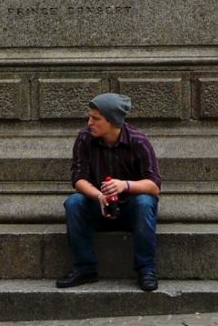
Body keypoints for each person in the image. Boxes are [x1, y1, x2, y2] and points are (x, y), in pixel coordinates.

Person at [56, 93, 161, 293]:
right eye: (90, 117)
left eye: (96, 118)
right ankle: (85, 268)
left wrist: (125, 185)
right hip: (99, 207)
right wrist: (99, 196)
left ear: (112, 121)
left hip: (131, 209)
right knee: (74, 202)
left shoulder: (139, 141)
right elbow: (78, 178)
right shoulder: (84, 138)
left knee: (145, 202)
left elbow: (154, 186)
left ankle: (146, 269)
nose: (90, 123)